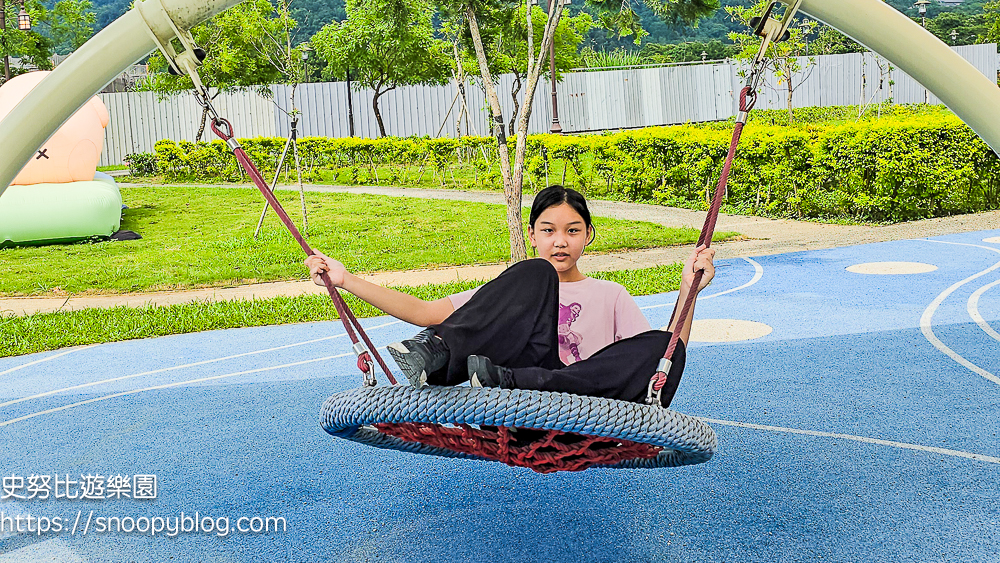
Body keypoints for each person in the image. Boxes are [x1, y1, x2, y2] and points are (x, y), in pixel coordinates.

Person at [305, 185, 715, 407]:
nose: (560, 242)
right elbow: (425, 312)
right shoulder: (518, 288)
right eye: (548, 230)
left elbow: (658, 363)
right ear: (532, 234)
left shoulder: (611, 294)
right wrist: (345, 279)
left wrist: (687, 289)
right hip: (510, 392)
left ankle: (518, 381)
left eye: (573, 230)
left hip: (574, 393)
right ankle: (441, 355)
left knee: (667, 345)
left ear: (588, 235)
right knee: (536, 274)